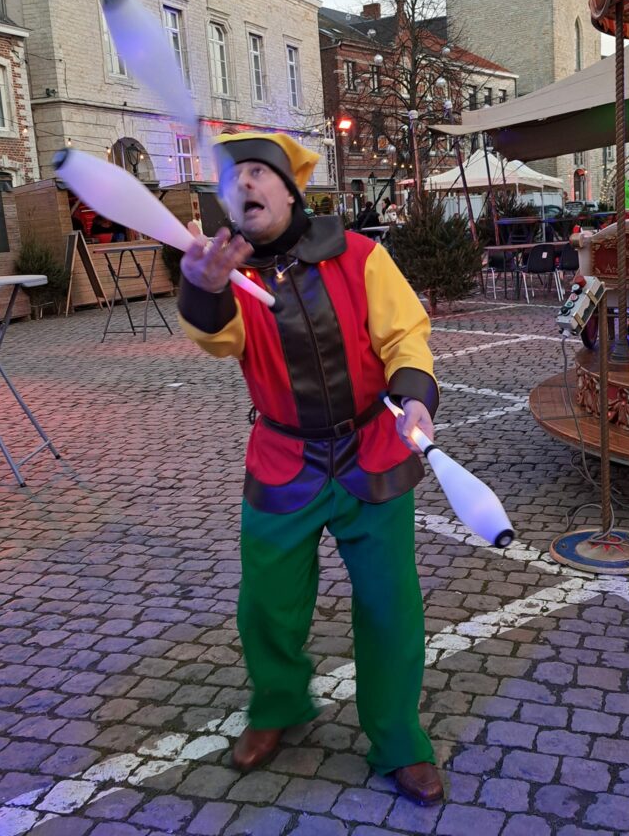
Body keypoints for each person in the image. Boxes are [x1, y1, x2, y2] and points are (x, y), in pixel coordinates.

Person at [177, 133, 444, 805]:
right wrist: (202, 289)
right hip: (284, 458)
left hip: (372, 452)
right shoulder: (231, 279)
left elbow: (404, 334)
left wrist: (415, 394)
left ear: (291, 190)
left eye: (259, 173)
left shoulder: (359, 255)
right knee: (266, 605)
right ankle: (279, 704)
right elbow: (219, 339)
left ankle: (398, 737)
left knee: (390, 607)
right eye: (232, 178)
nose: (244, 185)